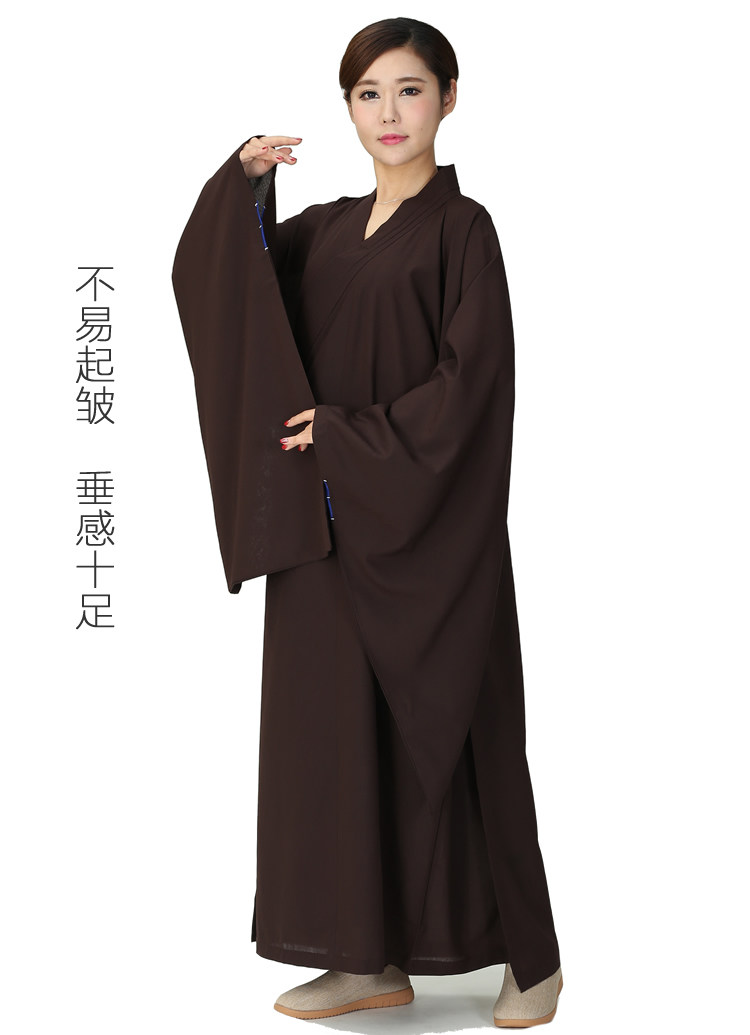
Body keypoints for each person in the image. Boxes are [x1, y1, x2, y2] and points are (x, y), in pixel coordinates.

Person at [172, 16, 563, 1028]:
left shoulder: (464, 230)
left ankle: (531, 961)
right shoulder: (326, 230)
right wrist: (240, 189)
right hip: (327, 534)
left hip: (434, 534)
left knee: (463, 735)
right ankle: (363, 959)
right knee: (333, 744)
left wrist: (348, 436)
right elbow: (231, 294)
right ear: (347, 108)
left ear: (449, 98)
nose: (390, 113)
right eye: (368, 94)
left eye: (410, 89)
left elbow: (474, 388)